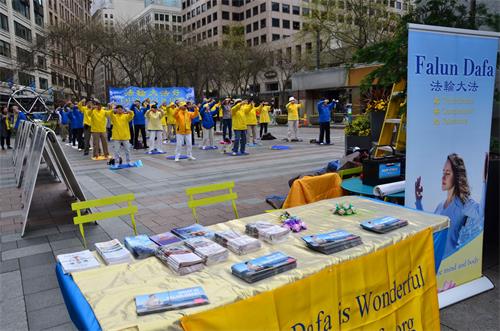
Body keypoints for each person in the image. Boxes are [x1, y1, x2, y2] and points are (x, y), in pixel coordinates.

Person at [415, 153, 486, 258]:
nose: (443, 177)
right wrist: (418, 201)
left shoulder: (463, 203)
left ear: (456, 176)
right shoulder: (440, 206)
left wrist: (485, 181)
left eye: (447, 173)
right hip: (435, 261)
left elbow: (480, 213)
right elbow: (429, 227)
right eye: (443, 172)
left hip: (451, 264)